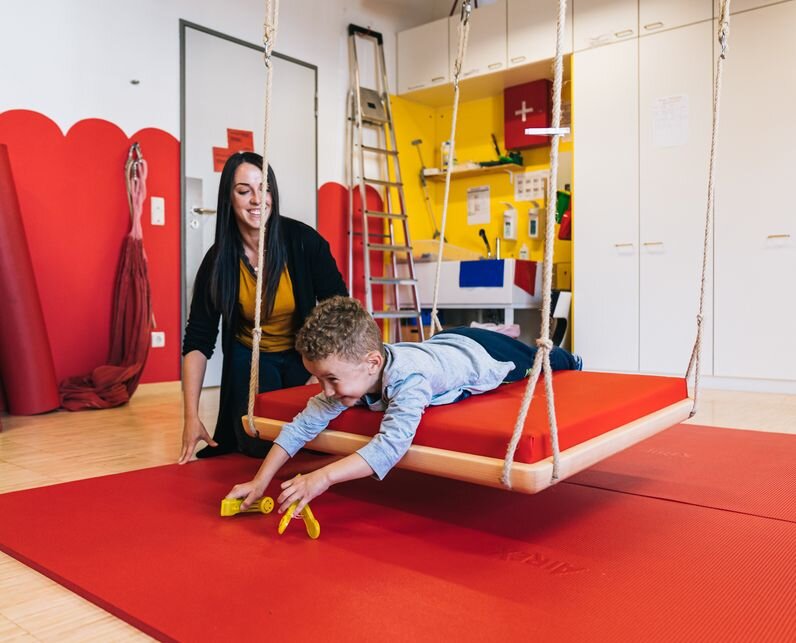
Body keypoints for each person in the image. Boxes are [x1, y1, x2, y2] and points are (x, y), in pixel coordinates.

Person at [226, 295, 583, 515]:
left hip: (480, 354)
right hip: (444, 341)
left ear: (372, 363)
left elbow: (390, 446)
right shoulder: (353, 375)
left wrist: (323, 477)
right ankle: (483, 328)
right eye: (320, 379)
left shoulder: (410, 382)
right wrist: (260, 481)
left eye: (332, 379)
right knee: (452, 340)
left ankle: (546, 349)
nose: (326, 390)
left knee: (541, 361)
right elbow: (300, 427)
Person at [178, 152, 347, 463]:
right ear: (229, 198)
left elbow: (342, 310)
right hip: (252, 358)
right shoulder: (217, 261)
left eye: (264, 188)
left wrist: (325, 372)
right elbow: (198, 342)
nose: (257, 199)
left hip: (304, 356)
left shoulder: (304, 242)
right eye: (244, 191)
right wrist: (191, 417)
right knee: (259, 443)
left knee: (315, 439)